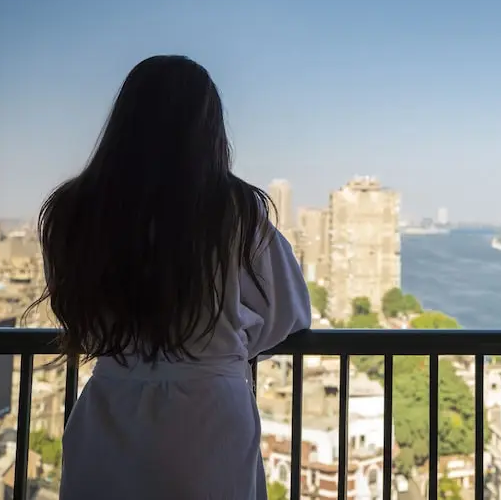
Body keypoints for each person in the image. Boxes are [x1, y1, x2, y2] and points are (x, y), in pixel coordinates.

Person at [28, 55, 312, 499]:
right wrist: (219, 343)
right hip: (209, 416)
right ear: (209, 128)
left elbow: (75, 306)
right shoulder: (234, 210)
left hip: (111, 405)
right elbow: (287, 312)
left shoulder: (73, 209)